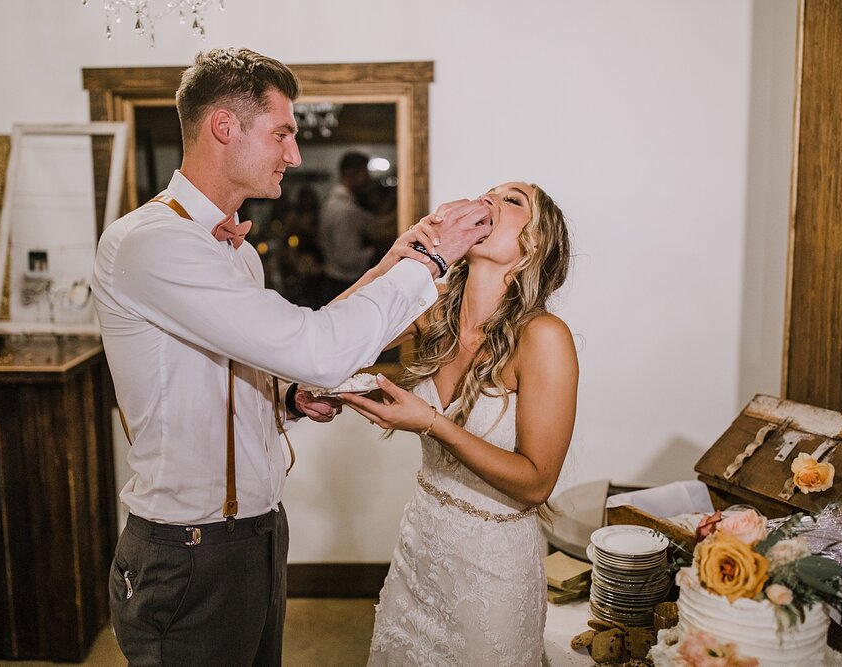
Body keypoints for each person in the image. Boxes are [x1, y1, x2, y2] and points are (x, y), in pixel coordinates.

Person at [91, 47, 492, 666]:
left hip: (257, 531)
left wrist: (286, 391)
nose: (295, 155)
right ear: (225, 126)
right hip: (188, 550)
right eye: (283, 133)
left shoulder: (236, 251)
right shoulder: (152, 245)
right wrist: (432, 264)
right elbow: (318, 348)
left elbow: (271, 350)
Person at [340, 181, 579, 666]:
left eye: (511, 200)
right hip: (420, 548)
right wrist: (395, 259)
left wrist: (430, 421)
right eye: (486, 193)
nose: (488, 200)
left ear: (535, 242)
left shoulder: (544, 337)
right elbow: (332, 337)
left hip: (493, 568)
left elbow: (536, 483)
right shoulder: (433, 310)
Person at [317, 151, 378, 304]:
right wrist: (375, 253)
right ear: (351, 173)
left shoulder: (336, 202)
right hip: (343, 284)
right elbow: (347, 259)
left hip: (335, 281)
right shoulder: (344, 209)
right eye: (365, 172)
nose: (368, 178)